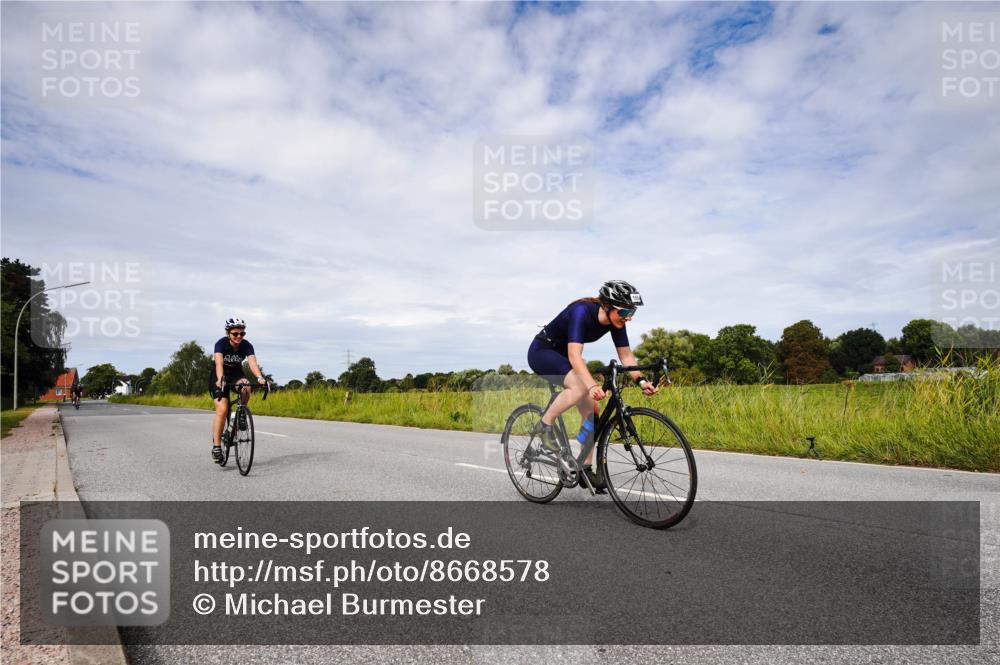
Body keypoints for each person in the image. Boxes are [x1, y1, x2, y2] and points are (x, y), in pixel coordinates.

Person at [527, 280, 659, 490]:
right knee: (581, 388)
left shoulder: (616, 322)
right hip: (543, 352)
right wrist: (590, 385)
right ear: (607, 306)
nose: (629, 317)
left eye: (632, 311)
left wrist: (641, 381)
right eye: (625, 311)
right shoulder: (581, 311)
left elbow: (626, 356)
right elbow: (574, 355)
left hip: (564, 356)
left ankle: (585, 468)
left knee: (592, 410)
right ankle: (544, 426)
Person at [209, 317, 267, 464]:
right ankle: (216, 447)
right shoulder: (221, 344)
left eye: (242, 334)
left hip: (236, 375)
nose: (239, 337)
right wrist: (220, 379)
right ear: (228, 333)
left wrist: (260, 377)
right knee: (222, 410)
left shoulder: (246, 345)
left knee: (246, 385)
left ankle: (241, 412)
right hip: (219, 376)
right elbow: (219, 364)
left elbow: (253, 363)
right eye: (235, 334)